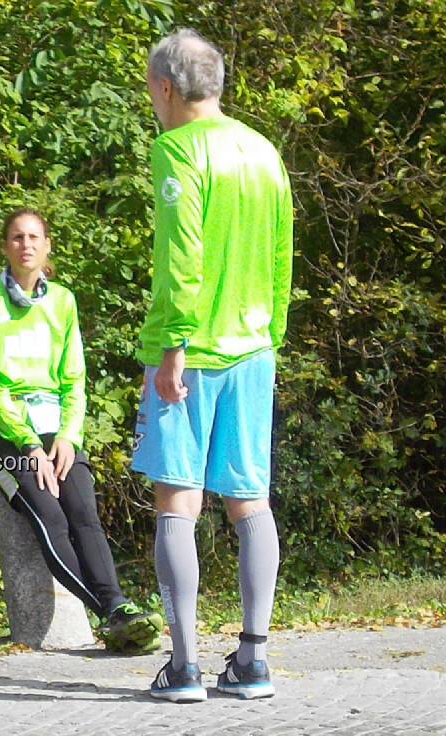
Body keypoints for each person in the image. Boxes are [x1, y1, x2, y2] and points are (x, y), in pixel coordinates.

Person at [133, 29, 293, 702]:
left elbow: (181, 256)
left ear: (166, 88)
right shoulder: (262, 151)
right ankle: (253, 660)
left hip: (192, 351)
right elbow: (282, 254)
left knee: (179, 497)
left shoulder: (178, 149)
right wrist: (272, 333)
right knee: (248, 498)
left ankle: (186, 663)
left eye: (150, 90)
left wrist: (172, 345)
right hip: (255, 346)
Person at [0, 208, 164, 654]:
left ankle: (118, 608)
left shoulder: (63, 301)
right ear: (4, 247)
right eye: (16, 237)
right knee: (49, 518)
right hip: (5, 431)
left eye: (34, 237)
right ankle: (113, 612)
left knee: (83, 513)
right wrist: (28, 443)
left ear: (47, 246)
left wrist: (69, 437)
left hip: (58, 426)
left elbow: (75, 376)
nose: (25, 244)